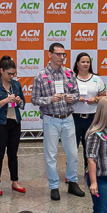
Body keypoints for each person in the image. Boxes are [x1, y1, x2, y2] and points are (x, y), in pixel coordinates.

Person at [31, 43, 84, 201]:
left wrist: (72, 98)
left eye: (64, 55)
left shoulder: (69, 73)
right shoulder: (40, 76)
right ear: (50, 55)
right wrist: (49, 99)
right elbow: (34, 99)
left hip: (68, 118)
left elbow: (76, 93)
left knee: (73, 153)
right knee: (51, 155)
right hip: (50, 119)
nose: (62, 57)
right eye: (59, 54)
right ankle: (54, 186)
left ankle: (72, 182)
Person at [0, 55, 26, 196]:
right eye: (9, 74)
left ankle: (15, 181)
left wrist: (19, 101)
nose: (11, 76)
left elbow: (23, 104)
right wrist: (5, 100)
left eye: (13, 74)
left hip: (14, 122)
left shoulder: (16, 85)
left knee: (13, 154)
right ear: (1, 71)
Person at [72, 52, 105, 170]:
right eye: (83, 62)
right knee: (72, 147)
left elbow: (104, 97)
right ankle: (71, 173)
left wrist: (96, 99)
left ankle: (89, 171)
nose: (85, 64)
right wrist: (75, 98)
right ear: (77, 64)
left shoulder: (97, 79)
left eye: (87, 62)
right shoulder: (71, 78)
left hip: (92, 118)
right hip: (74, 117)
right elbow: (66, 96)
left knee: (90, 147)